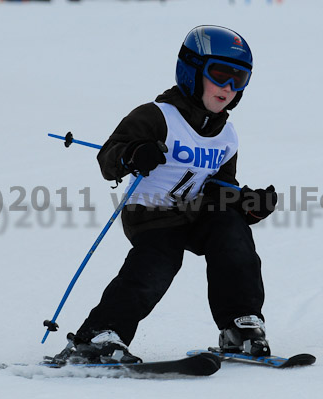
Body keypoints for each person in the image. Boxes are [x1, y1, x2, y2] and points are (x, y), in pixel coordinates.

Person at [53, 25, 278, 365]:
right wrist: (134, 154)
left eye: (239, 79)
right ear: (192, 70)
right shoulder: (156, 116)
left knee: (232, 231)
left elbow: (221, 188)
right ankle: (98, 334)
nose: (228, 87)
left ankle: (239, 325)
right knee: (161, 259)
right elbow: (108, 159)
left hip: (196, 212)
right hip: (151, 214)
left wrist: (247, 203)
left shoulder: (226, 136)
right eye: (219, 74)